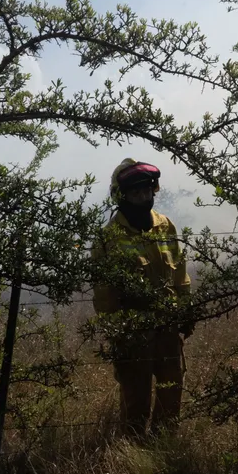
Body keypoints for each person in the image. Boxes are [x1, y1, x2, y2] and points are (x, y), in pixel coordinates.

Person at [91, 158, 193, 437]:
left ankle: (164, 449)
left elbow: (180, 274)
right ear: (122, 197)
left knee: (171, 392)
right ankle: (133, 454)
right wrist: (117, 332)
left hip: (168, 328)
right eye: (136, 193)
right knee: (135, 400)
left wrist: (186, 311)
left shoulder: (165, 226)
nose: (143, 197)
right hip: (132, 333)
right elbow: (104, 293)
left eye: (147, 192)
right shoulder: (108, 238)